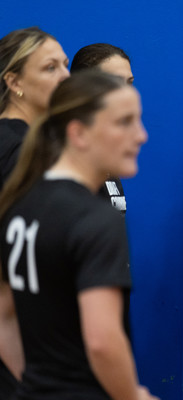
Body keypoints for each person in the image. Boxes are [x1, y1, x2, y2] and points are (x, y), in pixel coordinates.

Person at [0, 70, 157, 400]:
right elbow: (102, 341)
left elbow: (4, 315)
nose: (141, 135)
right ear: (79, 133)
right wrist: (132, 396)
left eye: (138, 120)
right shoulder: (96, 219)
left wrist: (30, 384)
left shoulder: (21, 203)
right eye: (124, 122)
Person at [0, 26, 69, 399]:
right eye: (49, 68)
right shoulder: (20, 149)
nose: (65, 77)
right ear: (14, 81)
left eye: (65, 65)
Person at [71, 43, 135, 215]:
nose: (126, 92)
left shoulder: (102, 149)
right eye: (114, 82)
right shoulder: (63, 153)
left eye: (129, 83)